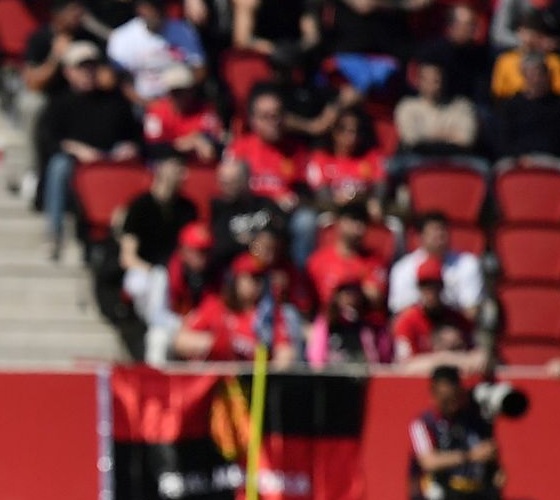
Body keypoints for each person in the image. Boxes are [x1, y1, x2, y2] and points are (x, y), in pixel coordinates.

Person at [408, 365, 538, 500]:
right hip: (444, 495)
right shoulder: (425, 423)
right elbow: (428, 461)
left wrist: (496, 472)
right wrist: (470, 456)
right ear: (433, 395)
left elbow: (491, 459)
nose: (452, 404)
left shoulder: (473, 420)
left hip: (480, 497)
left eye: (455, 397)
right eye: (445, 399)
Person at [37, 42, 143, 258]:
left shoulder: (115, 101)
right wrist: (75, 149)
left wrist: (129, 147)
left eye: (92, 66)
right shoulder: (58, 103)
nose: (88, 72)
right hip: (76, 167)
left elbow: (136, 137)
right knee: (59, 166)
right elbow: (48, 141)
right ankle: (54, 234)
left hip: (109, 164)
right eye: (81, 67)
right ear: (68, 72)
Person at [221, 86, 316, 263]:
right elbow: (227, 188)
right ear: (253, 119)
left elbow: (307, 192)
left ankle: (299, 276)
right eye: (266, 116)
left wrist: (294, 199)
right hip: (248, 213)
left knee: (306, 221)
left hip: (282, 218)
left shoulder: (296, 151)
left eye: (277, 115)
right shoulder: (239, 149)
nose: (274, 121)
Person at [118, 149, 198, 354]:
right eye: (177, 166)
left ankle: (161, 326)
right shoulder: (140, 206)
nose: (183, 173)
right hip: (143, 274)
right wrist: (156, 271)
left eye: (183, 167)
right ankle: (165, 323)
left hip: (176, 276)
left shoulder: (188, 209)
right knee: (151, 281)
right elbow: (127, 257)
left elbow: (192, 250)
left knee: (157, 336)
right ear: (160, 168)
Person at [171, 252, 296, 364]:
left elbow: (285, 352)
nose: (256, 284)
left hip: (254, 380)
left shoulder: (269, 313)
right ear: (235, 279)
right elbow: (181, 341)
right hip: (217, 379)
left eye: (260, 279)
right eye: (250, 278)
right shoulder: (215, 305)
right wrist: (216, 344)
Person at [104, 0, 204, 103]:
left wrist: (179, 99)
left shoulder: (184, 31)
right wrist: (149, 105)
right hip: (141, 103)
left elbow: (199, 68)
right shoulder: (121, 38)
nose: (154, 14)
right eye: (149, 9)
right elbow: (120, 80)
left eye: (158, 9)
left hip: (180, 101)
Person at [389, 211, 483, 317]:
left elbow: (472, 311)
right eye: (433, 231)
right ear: (420, 236)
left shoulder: (467, 264)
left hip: (453, 327)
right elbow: (399, 311)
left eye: (442, 230)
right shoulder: (403, 268)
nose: (439, 235)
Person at [305, 200, 388, 311]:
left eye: (363, 221)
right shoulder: (318, 260)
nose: (360, 226)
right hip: (328, 322)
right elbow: (310, 301)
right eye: (354, 220)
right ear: (340, 222)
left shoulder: (374, 260)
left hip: (364, 323)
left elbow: (376, 297)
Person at [391, 257, 474, 364]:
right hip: (418, 379)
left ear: (442, 286)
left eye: (435, 285)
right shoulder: (407, 321)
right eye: (425, 286)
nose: (430, 292)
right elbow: (404, 365)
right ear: (419, 288)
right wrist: (444, 358)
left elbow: (477, 357)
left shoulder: (457, 319)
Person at [394, 59, 478, 157]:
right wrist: (448, 136)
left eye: (436, 80)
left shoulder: (462, 105)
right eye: (426, 79)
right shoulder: (407, 106)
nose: (431, 85)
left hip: (456, 158)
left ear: (444, 80)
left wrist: (428, 136)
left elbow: (467, 140)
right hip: (417, 158)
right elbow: (411, 140)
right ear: (418, 81)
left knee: (481, 166)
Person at [306, 280, 392, 366]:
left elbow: (381, 357)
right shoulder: (326, 323)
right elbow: (317, 356)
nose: (351, 298)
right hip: (332, 373)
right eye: (347, 294)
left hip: (361, 373)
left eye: (355, 293)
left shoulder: (369, 325)